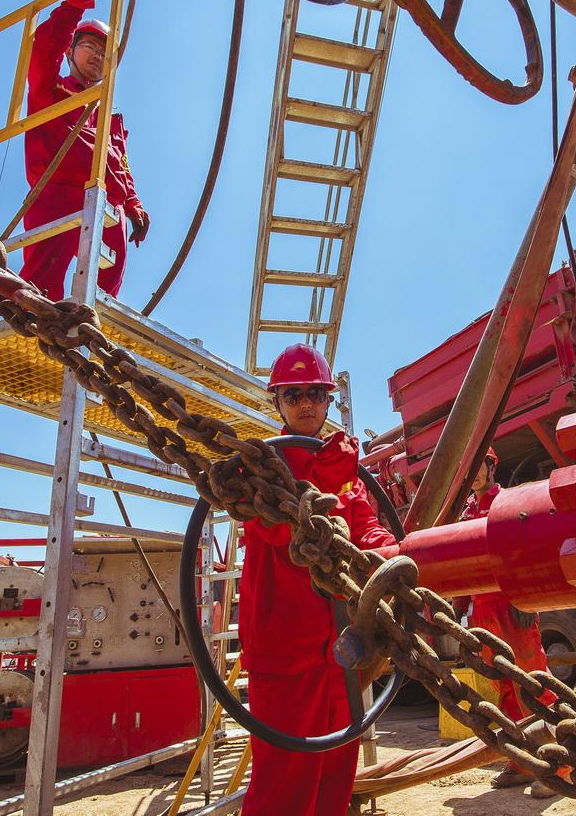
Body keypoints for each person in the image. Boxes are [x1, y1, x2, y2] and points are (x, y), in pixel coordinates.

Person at [238, 343, 398, 816]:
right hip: (285, 655)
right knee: (284, 785)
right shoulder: (259, 468)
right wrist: (325, 479)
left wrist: (393, 554)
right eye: (293, 395)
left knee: (334, 778)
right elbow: (282, 532)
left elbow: (365, 525)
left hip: (340, 650)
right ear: (278, 403)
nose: (306, 404)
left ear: (328, 401)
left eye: (315, 394)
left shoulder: (343, 468)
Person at [21, 0, 149, 302]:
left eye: (104, 52)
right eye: (90, 46)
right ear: (69, 51)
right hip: (57, 191)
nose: (97, 55)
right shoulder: (51, 91)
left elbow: (120, 162)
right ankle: (35, 320)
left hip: (107, 202)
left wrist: (132, 202)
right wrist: (75, 3)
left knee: (103, 296)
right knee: (40, 286)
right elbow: (44, 47)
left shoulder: (109, 116)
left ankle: (90, 326)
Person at [461, 448, 556, 798]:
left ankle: (559, 764)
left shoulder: (507, 503)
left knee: (533, 683)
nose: (474, 473)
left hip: (511, 604)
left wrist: (529, 597)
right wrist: (460, 605)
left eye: (479, 466)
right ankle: (521, 761)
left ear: (491, 467)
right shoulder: (466, 512)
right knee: (504, 687)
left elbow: (527, 547)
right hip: (484, 610)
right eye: (469, 468)